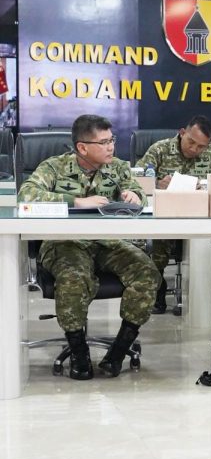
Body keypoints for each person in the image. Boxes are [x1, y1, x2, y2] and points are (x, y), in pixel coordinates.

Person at [17, 114, 160, 380]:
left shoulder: (117, 168)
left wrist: (134, 195)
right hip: (64, 243)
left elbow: (138, 194)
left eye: (112, 140)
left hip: (106, 242)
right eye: (104, 142)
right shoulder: (55, 167)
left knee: (147, 272)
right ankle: (79, 351)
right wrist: (75, 201)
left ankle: (119, 350)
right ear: (82, 147)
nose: (111, 147)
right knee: (75, 277)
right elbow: (26, 195)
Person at [136, 115, 211, 313]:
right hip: (166, 216)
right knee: (157, 243)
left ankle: (198, 298)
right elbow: (137, 180)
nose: (195, 149)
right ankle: (158, 290)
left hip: (199, 216)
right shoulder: (159, 149)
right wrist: (157, 183)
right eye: (191, 142)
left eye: (201, 146)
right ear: (182, 133)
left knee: (209, 243)